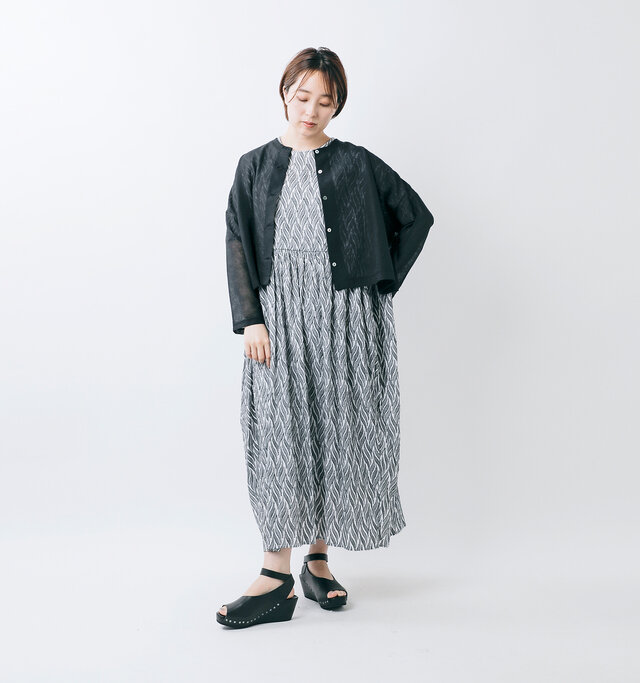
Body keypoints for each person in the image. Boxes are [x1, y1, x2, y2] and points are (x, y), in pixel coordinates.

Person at [217, 47, 434, 628]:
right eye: (303, 96)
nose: (311, 109)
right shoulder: (253, 166)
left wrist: (378, 284)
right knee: (281, 434)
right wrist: (250, 318)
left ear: (337, 106)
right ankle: (274, 575)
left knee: (335, 428)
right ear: (285, 93)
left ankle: (317, 562)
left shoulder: (356, 162)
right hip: (279, 315)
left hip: (345, 317)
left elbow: (416, 217)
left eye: (325, 101)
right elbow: (237, 239)